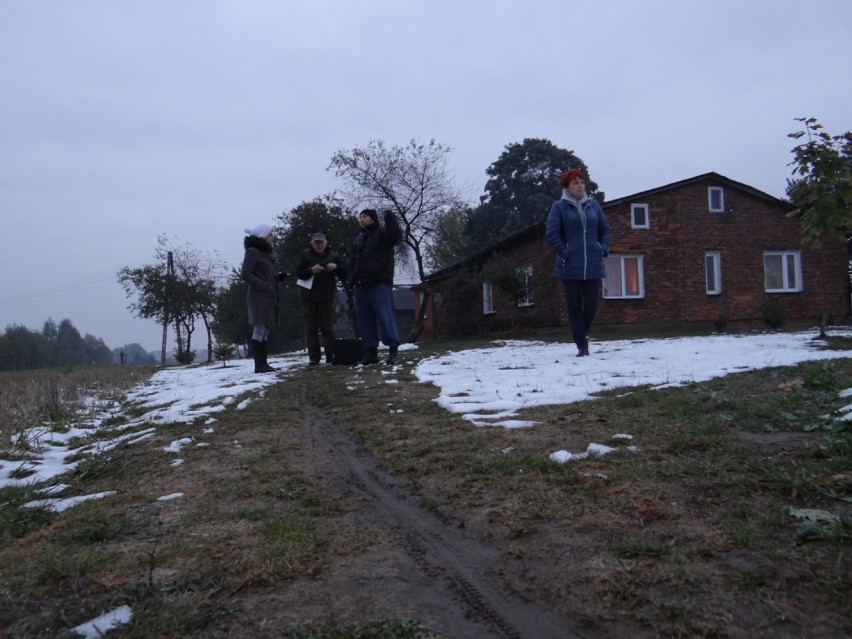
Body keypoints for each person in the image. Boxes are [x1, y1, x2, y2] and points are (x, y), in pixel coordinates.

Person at [545, 168, 612, 357]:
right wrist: (565, 252)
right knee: (574, 307)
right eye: (575, 182)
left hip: (593, 264)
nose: (580, 185)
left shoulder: (594, 206)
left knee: (591, 307)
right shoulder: (559, 207)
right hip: (570, 266)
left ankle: (580, 336)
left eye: (582, 182)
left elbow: (605, 230)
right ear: (567, 187)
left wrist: (602, 247)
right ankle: (582, 345)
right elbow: (552, 233)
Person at [349, 205, 403, 365]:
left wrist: (389, 215)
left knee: (385, 317)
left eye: (364, 216)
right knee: (365, 321)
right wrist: (351, 279)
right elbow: (354, 261)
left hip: (379, 283)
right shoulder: (359, 238)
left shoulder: (382, 233)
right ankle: (370, 353)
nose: (361, 219)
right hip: (360, 285)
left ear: (372, 218)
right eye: (360, 217)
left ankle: (392, 350)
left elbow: (395, 237)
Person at [241, 224, 288, 373]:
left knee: (266, 329)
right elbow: (246, 274)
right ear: (262, 236)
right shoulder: (252, 252)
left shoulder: (265, 254)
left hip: (268, 296)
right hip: (258, 297)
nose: (272, 237)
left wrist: (277, 278)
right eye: (270, 234)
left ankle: (264, 364)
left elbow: (265, 276)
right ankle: (259, 365)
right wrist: (263, 285)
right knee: (259, 328)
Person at [295, 232, 348, 365]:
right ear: (312, 244)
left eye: (321, 242)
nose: (319, 245)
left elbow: (344, 271)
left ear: (326, 243)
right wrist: (311, 270)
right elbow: (299, 273)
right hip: (308, 297)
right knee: (310, 328)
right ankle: (314, 358)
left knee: (327, 328)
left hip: (326, 296)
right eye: (316, 242)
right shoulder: (305, 254)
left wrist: (335, 267)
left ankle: (331, 356)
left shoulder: (333, 256)